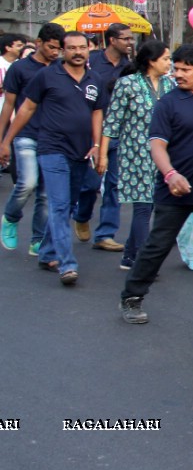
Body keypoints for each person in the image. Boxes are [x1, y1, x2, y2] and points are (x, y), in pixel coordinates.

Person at [119, 45, 193, 324]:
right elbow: (157, 145)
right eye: (175, 68)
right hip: (174, 190)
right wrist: (170, 174)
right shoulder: (167, 103)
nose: (177, 74)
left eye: (185, 69)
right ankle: (132, 297)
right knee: (156, 246)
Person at [2, 31, 102, 285]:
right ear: (63, 51)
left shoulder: (95, 80)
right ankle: (66, 264)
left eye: (82, 48)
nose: (78, 52)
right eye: (72, 48)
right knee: (57, 204)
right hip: (51, 149)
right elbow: (26, 108)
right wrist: (6, 140)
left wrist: (98, 144)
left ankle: (46, 253)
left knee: (67, 206)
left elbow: (97, 113)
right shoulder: (46, 76)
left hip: (80, 151)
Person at [100, 40, 175, 271]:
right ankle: (144, 261)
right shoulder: (127, 84)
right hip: (135, 154)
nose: (169, 63)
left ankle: (130, 256)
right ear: (151, 61)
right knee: (143, 207)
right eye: (165, 59)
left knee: (151, 206)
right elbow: (111, 123)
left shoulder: (169, 85)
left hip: (162, 155)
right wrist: (102, 155)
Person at [0, 22, 63, 254]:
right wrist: (3, 140)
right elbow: (8, 105)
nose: (55, 52)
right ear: (38, 43)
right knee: (27, 183)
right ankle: (10, 217)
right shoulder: (20, 69)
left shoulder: (61, 68)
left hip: (52, 138)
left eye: (59, 49)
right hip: (25, 133)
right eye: (51, 47)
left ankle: (38, 239)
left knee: (46, 194)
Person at [74, 22, 133, 252]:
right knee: (90, 183)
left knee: (115, 185)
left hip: (120, 131)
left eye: (131, 39)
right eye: (126, 38)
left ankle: (105, 233)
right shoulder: (93, 61)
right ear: (112, 40)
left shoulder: (131, 66)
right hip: (93, 132)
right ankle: (82, 215)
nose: (130, 42)